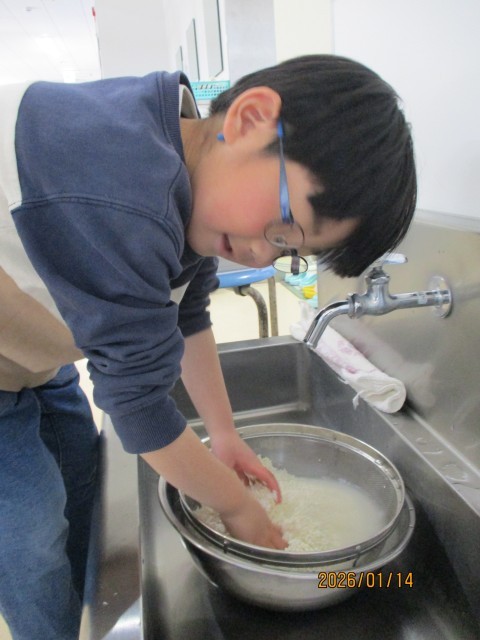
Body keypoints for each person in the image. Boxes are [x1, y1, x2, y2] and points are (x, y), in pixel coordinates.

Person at [0, 54, 416, 639]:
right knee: (31, 535)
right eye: (283, 227)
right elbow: (137, 405)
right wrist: (237, 506)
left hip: (33, 352)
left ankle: (78, 615)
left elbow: (188, 313)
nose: (261, 253)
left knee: (79, 490)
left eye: (287, 252)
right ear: (250, 119)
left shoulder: (188, 164)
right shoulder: (127, 190)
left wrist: (224, 434)